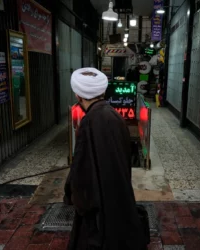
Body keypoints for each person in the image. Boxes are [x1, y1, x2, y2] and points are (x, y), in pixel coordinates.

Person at [64, 68, 147, 250]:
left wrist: (73, 195)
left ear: (78, 96)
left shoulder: (88, 122)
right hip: (120, 194)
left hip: (99, 208)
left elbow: (82, 170)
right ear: (102, 91)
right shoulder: (116, 115)